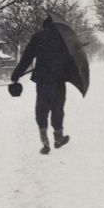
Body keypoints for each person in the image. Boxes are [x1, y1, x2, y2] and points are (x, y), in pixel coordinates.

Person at [11, 15, 71, 155]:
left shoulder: (38, 37)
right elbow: (71, 63)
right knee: (57, 108)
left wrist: (17, 74)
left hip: (43, 79)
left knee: (42, 109)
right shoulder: (64, 39)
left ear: (45, 25)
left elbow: (27, 57)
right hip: (59, 79)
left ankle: (45, 142)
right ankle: (58, 138)